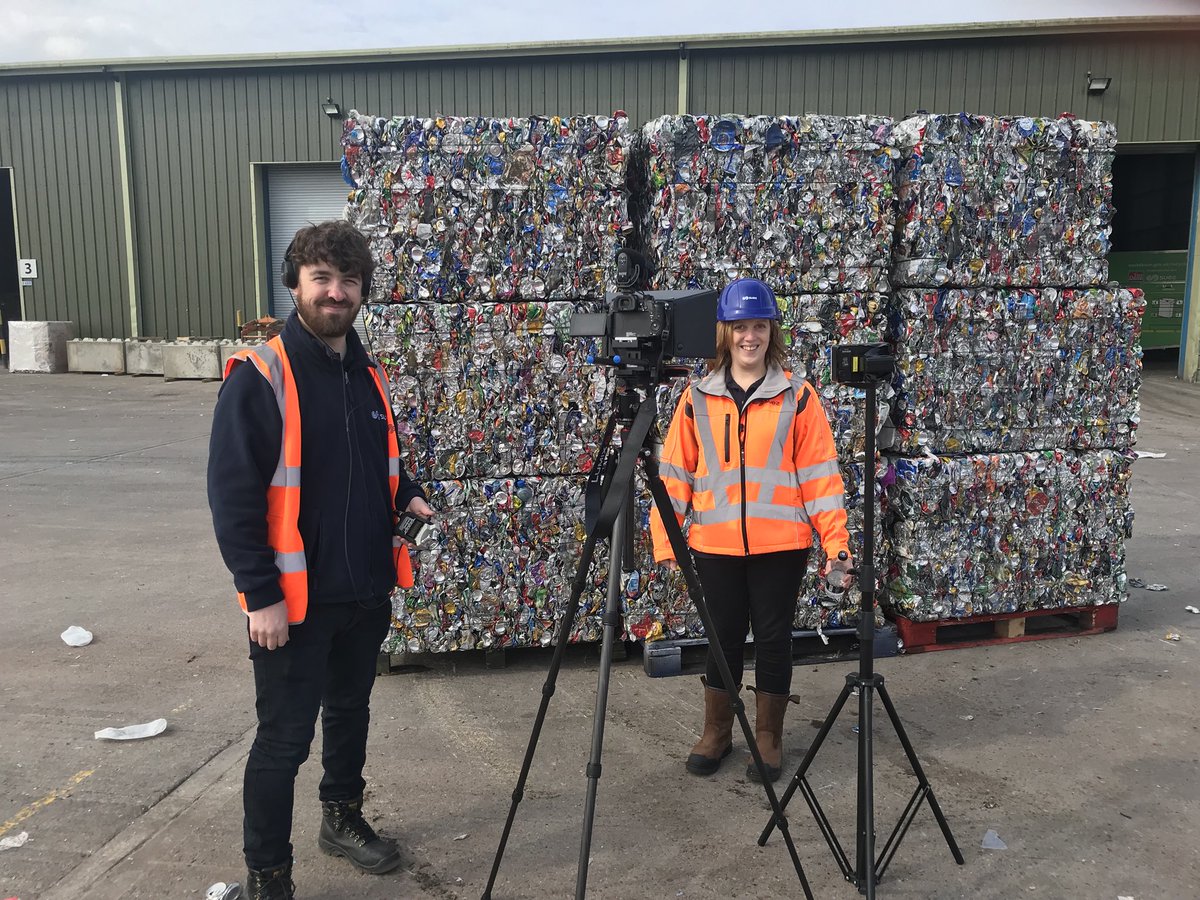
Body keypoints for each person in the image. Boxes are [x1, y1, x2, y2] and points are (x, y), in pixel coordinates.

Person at [208, 221, 433, 899]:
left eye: (349, 281)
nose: (336, 293)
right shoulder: (262, 374)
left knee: (350, 714)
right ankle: (268, 876)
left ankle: (342, 818)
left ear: (363, 289)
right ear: (296, 284)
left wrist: (411, 494)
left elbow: (377, 463)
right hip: (293, 603)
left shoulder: (368, 373)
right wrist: (260, 595)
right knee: (282, 742)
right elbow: (233, 496)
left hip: (363, 590)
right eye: (322, 279)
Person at [650, 277, 853, 783]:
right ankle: (717, 732)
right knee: (721, 637)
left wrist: (836, 544)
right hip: (714, 545)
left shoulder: (799, 399)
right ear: (725, 331)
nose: (749, 337)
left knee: (773, 639)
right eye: (740, 327)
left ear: (771, 331)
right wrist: (665, 540)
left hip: (780, 547)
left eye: (759, 326)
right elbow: (674, 474)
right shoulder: (695, 398)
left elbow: (821, 476)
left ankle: (768, 738)